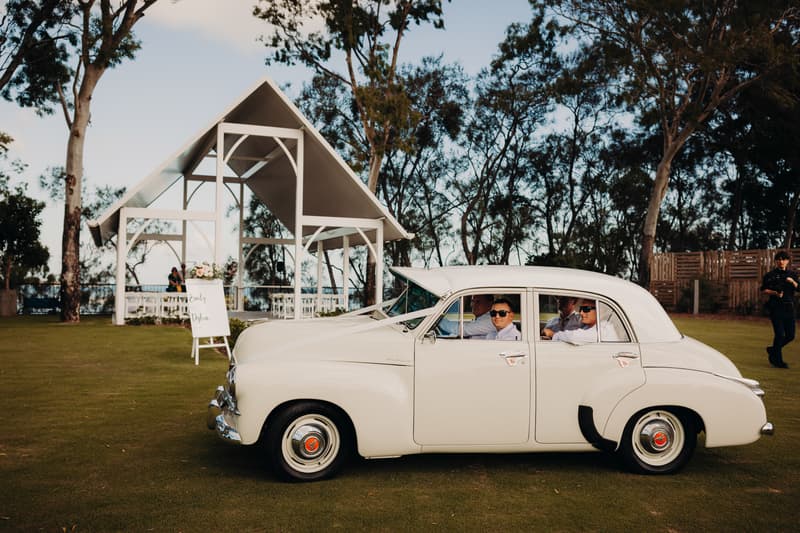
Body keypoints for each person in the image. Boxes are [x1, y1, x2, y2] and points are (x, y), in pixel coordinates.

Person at [761, 250, 798, 368]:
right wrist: (774, 293)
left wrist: (793, 282)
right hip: (776, 308)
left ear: (787, 261)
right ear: (776, 261)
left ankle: (773, 350)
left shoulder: (792, 275)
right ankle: (778, 361)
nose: (781, 261)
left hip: (789, 308)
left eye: (784, 259)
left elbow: (799, 288)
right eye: (779, 259)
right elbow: (763, 290)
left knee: (790, 335)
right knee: (779, 335)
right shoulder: (770, 275)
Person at [550, 299, 619, 343]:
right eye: (581, 309)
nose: (581, 313)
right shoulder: (587, 327)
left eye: (586, 309)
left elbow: (574, 337)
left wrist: (553, 334)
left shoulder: (605, 328)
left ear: (600, 310)